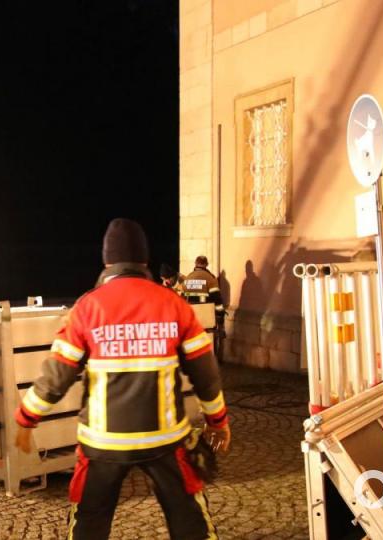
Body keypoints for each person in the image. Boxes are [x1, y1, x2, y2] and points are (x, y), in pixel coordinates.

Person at [14, 218, 230, 540]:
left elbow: (57, 375)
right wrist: (218, 422)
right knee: (188, 517)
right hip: (165, 439)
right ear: (144, 261)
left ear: (107, 262)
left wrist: (26, 418)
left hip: (102, 442)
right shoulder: (174, 304)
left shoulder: (86, 308)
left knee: (89, 519)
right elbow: (206, 374)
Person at [183, 256, 226, 355]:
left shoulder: (188, 278)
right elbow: (217, 300)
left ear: (195, 264)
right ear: (206, 264)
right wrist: (220, 317)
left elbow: (183, 300)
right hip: (207, 319)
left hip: (191, 318)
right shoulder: (211, 279)